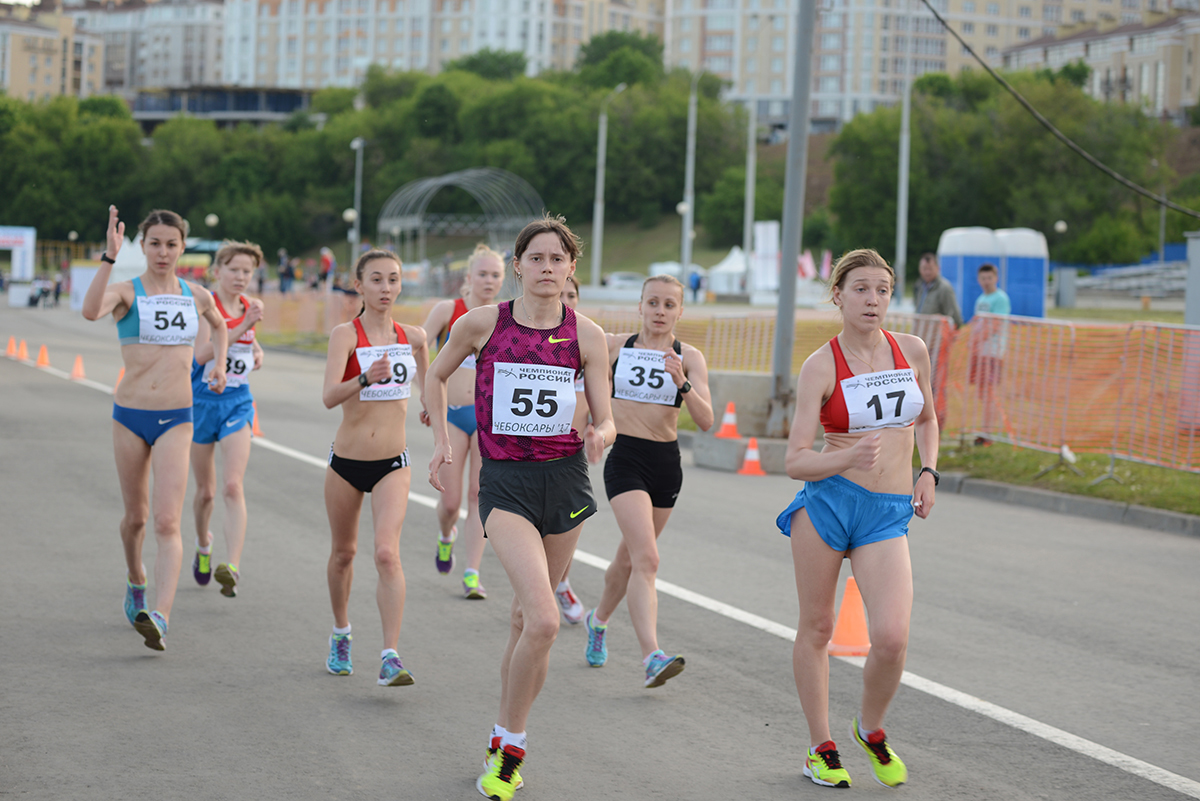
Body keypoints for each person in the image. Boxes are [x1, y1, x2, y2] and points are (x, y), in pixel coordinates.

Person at [425, 216, 615, 801]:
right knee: (545, 618)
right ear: (518, 266)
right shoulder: (484, 323)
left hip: (564, 482)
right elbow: (434, 375)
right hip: (504, 482)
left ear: (572, 268)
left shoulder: (588, 334)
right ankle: (510, 748)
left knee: (523, 622)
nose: (547, 268)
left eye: (558, 259)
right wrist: (440, 442)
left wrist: (602, 433)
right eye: (537, 258)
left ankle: (499, 733)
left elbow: (605, 413)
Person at [776, 248, 938, 789]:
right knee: (818, 627)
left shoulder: (911, 351)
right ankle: (820, 747)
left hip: (887, 512)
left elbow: (929, 418)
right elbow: (795, 458)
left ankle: (870, 728)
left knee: (891, 637)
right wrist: (845, 457)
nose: (873, 300)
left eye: (883, 290)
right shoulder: (820, 365)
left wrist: (928, 471)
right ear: (839, 295)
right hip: (827, 504)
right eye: (862, 289)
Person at [81, 206, 229, 651]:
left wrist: (219, 364)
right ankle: (135, 577)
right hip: (130, 415)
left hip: (177, 417)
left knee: (167, 520)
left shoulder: (196, 295)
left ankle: (159, 617)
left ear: (183, 247)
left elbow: (220, 326)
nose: (163, 252)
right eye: (154, 244)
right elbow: (90, 312)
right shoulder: (126, 292)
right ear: (142, 247)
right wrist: (108, 258)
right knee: (137, 519)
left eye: (171, 244)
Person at [584, 274, 714, 687]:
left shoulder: (688, 356)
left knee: (630, 559)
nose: (660, 312)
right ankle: (651, 656)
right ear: (639, 306)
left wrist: (683, 383)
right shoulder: (615, 346)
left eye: (669, 305)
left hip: (665, 463)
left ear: (680, 310)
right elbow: (581, 380)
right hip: (624, 458)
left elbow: (708, 420)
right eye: (653, 303)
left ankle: (598, 620)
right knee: (649, 559)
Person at [321, 249, 429, 686]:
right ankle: (341, 632)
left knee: (386, 552)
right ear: (360, 285)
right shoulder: (345, 335)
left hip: (393, 462)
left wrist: (430, 405)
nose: (386, 288)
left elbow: (431, 377)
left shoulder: (413, 336)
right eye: (377, 280)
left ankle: (390, 656)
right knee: (344, 554)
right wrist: (365, 378)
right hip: (346, 462)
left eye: (393, 280)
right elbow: (329, 396)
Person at [420, 244, 506, 600]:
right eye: (482, 274)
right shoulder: (449, 310)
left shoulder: (503, 317)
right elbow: (416, 345)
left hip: (488, 420)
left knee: (478, 496)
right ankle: (445, 535)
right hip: (453, 416)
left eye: (495, 275)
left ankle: (472, 572)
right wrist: (426, 394)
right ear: (468, 278)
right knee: (452, 502)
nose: (488, 281)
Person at [189, 241, 267, 600]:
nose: (240, 277)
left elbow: (244, 345)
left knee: (233, 486)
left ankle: (231, 566)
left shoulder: (250, 306)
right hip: (202, 402)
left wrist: (256, 350)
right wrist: (242, 328)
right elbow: (204, 352)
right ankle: (204, 544)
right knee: (205, 492)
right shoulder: (206, 303)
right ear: (217, 271)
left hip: (238, 401)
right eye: (233, 269)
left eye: (247, 271)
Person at [553, 274, 586, 624]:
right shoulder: (530, 339)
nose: (565, 299)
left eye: (571, 294)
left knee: (566, 526)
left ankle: (561, 583)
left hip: (572, 454)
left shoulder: (588, 338)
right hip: (529, 456)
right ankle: (537, 594)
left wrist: (598, 430)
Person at [971, 262, 1010, 445]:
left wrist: (978, 340)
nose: (986, 282)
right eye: (983, 278)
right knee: (982, 393)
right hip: (980, 353)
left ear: (996, 278)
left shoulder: (1000, 298)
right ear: (979, 280)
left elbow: (995, 325)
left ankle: (989, 432)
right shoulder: (981, 299)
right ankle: (985, 429)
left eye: (990, 278)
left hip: (993, 352)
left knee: (989, 393)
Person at [912, 253, 962, 328]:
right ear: (919, 269)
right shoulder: (919, 286)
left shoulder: (944, 288)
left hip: (937, 334)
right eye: (924, 268)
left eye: (930, 269)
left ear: (938, 268)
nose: (927, 272)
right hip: (921, 331)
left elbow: (954, 317)